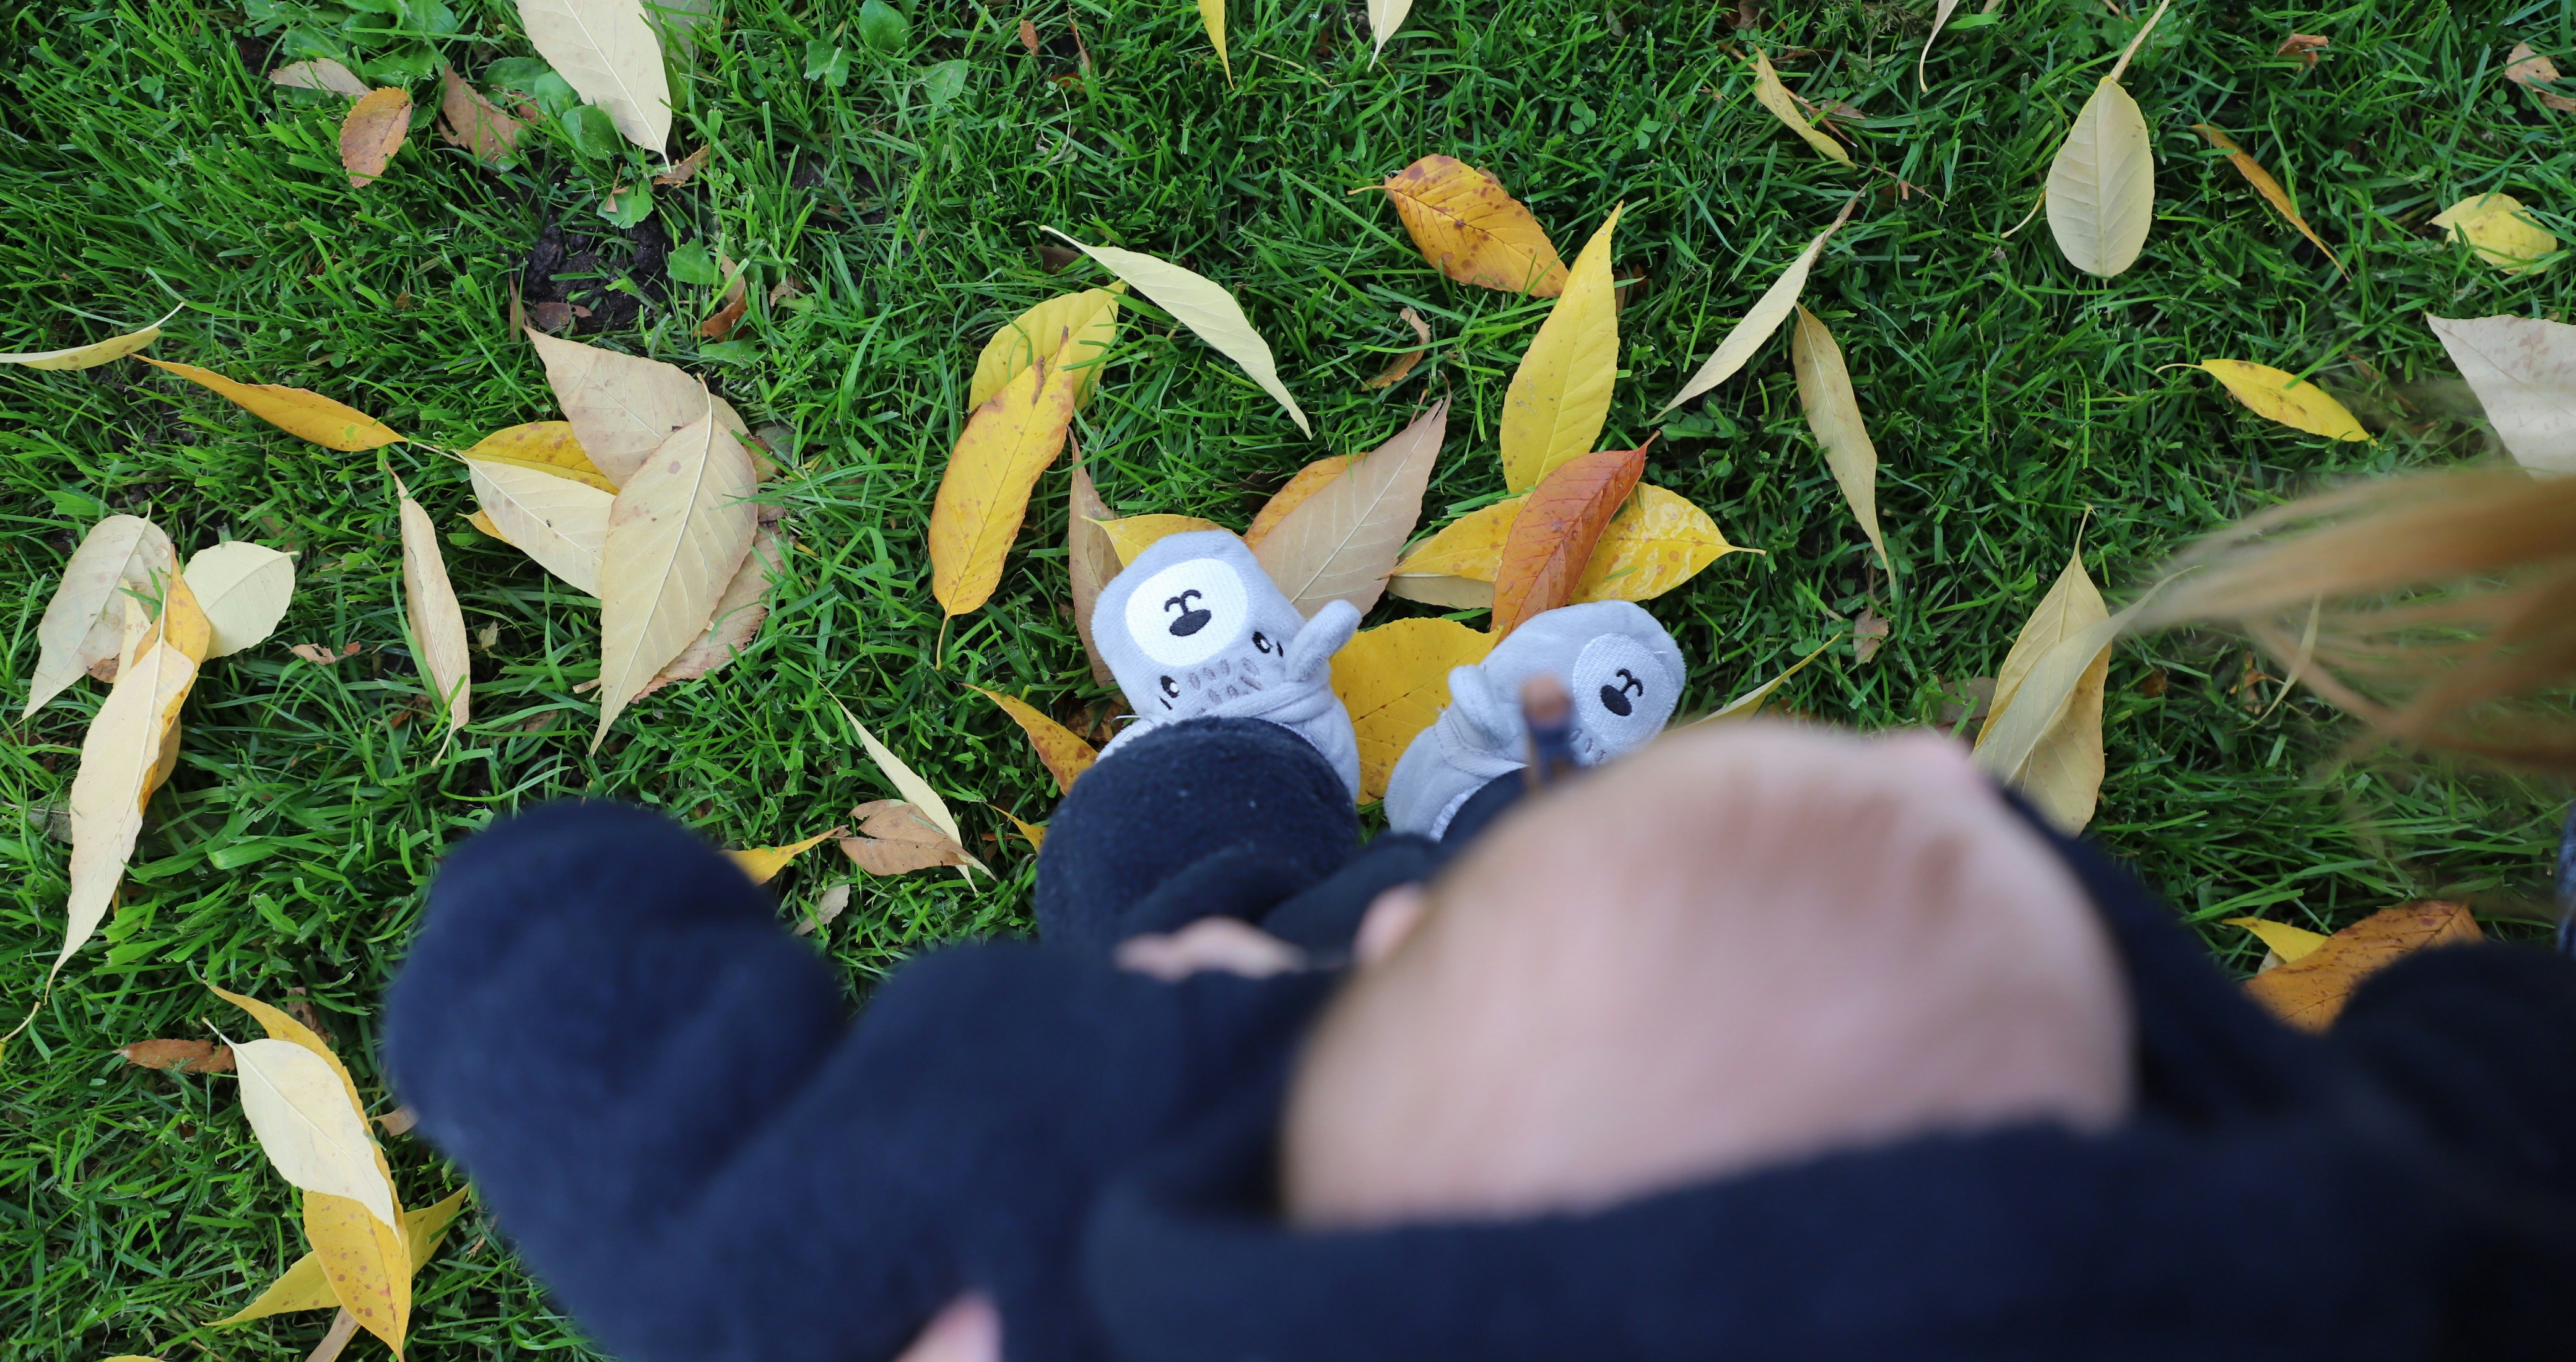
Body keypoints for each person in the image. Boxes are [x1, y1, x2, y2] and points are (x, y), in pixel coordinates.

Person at [382, 498, 2576, 1362]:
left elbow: (531, 971)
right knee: (1515, 806)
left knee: (1192, 867)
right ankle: (1509, 783)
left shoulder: (1029, 1220)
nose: (1933, 776)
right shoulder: (2416, 1257)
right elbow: (2503, 1092)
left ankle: (1262, 738)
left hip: (1242, 996)